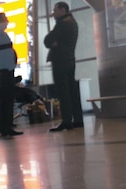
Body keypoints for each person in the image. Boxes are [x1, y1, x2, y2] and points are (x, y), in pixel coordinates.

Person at [44, 2, 82, 131]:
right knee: (72, 90)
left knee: (63, 91)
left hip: (60, 60)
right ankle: (78, 119)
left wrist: (54, 42)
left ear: (62, 10)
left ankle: (66, 120)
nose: (53, 13)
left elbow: (47, 41)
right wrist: (53, 42)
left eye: (55, 10)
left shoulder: (62, 24)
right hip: (70, 59)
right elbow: (50, 41)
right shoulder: (73, 22)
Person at [0, 12, 23, 137]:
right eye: (5, 19)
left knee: (7, 97)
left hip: (5, 69)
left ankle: (5, 124)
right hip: (3, 70)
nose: (7, 21)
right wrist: (3, 68)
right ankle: (4, 126)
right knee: (6, 98)